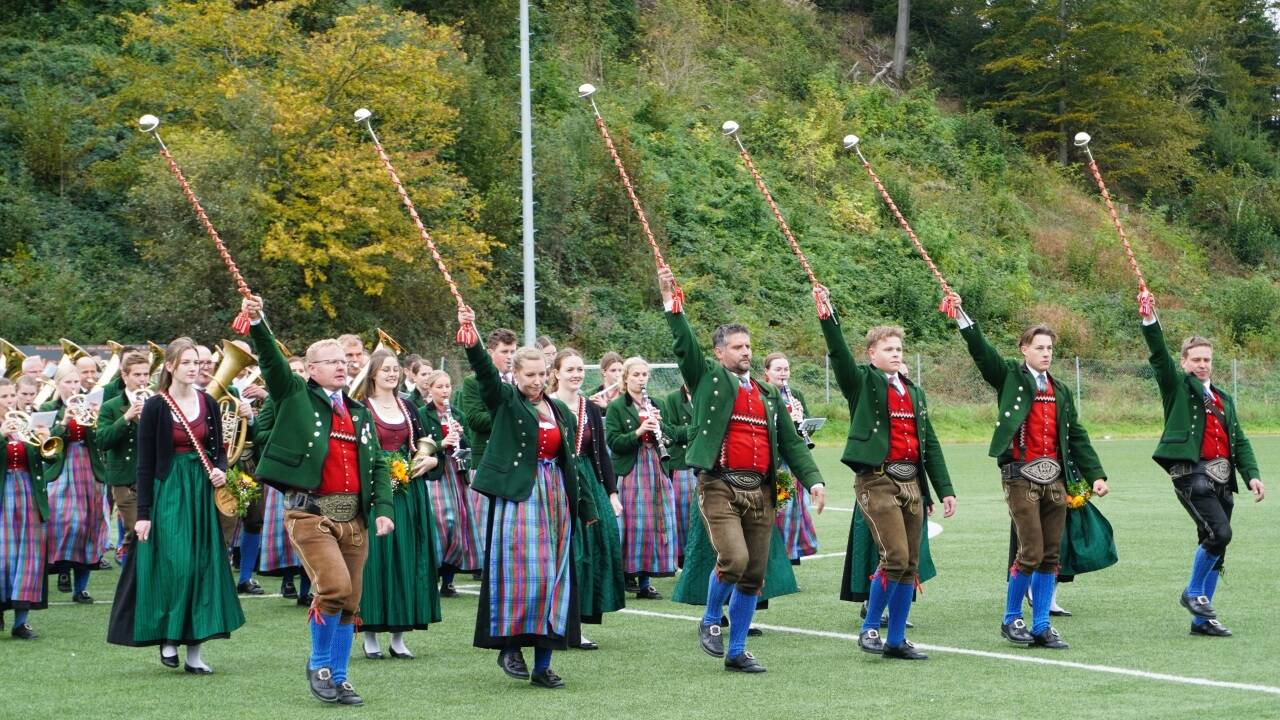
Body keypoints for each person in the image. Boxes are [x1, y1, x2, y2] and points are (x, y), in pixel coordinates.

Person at [657, 267, 825, 673]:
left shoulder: (768, 393)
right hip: (719, 485)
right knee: (733, 559)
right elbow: (684, 346)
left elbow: (790, 442)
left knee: (753, 575)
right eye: (737, 347)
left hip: (761, 491)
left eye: (748, 346)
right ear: (720, 353)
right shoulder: (707, 379)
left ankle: (737, 651)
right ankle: (711, 618)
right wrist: (670, 303)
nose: (746, 352)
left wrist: (814, 480)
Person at [242, 296, 394, 706]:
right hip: (310, 514)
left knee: (351, 601)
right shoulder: (295, 395)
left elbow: (378, 464)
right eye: (331, 361)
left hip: (355, 518)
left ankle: (340, 678)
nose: (342, 366)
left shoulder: (359, 412)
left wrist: (383, 510)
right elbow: (272, 362)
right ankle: (320, 665)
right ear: (311, 369)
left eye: (344, 360)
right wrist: (258, 322)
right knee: (334, 587)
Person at [949, 292, 1109, 650]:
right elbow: (982, 352)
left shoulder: (1061, 389)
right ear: (1024, 350)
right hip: (1019, 475)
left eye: (1049, 348)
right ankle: (1011, 619)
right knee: (1032, 550)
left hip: (1055, 478)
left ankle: (1041, 625)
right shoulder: (1009, 375)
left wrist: (1096, 475)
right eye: (1039, 347)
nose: (1046, 353)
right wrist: (961, 316)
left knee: (1051, 554)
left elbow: (1076, 435)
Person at [458, 305, 596, 689]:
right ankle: (510, 647)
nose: (536, 381)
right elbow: (485, 375)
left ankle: (544, 665)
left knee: (555, 577)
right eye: (529, 375)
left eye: (541, 374)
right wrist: (472, 338)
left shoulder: (560, 411)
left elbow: (570, 462)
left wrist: (585, 507)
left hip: (556, 498)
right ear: (515, 375)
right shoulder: (506, 400)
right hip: (519, 497)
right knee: (521, 575)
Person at [815, 295, 956, 659]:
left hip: (912, 484)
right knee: (895, 556)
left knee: (910, 564)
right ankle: (869, 629)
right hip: (876, 481)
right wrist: (828, 317)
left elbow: (930, 444)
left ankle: (896, 640)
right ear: (872, 354)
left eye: (899, 349)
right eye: (888, 349)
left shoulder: (915, 392)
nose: (895, 354)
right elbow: (839, 355)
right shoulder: (862, 382)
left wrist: (943, 490)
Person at [106, 338, 245, 673]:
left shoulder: (208, 402)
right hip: (168, 491)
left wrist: (219, 469)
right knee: (176, 565)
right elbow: (145, 463)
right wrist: (143, 515)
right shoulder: (155, 406)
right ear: (170, 366)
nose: (194, 368)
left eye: (197, 363)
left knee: (202, 567)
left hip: (201, 493)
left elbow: (219, 450)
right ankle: (168, 638)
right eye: (187, 363)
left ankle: (195, 653)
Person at [1138, 295, 1265, 636]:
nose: (1202, 364)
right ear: (1184, 362)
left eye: (1207, 359)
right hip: (1190, 474)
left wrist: (1252, 475)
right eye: (1195, 359)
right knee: (1220, 533)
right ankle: (1193, 593)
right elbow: (1158, 355)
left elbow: (1239, 440)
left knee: (1216, 546)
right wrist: (1150, 320)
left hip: (1223, 479)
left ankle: (1202, 620)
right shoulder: (1176, 386)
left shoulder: (1224, 398)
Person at [358, 349, 441, 660]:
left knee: (406, 557)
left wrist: (431, 460)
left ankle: (398, 637)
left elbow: (427, 443)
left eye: (395, 369)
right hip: (375, 491)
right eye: (385, 369)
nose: (391, 374)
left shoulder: (408, 407)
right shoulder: (361, 407)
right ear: (373, 374)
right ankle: (370, 635)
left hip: (408, 492)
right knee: (375, 560)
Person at [550, 349, 625, 649]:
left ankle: (577, 624)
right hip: (556, 480)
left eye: (580, 369)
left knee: (593, 549)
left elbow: (601, 455)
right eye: (569, 369)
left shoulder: (590, 408)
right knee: (565, 553)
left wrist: (611, 492)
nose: (576, 374)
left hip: (588, 483)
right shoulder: (547, 405)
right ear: (556, 373)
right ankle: (553, 623)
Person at [605, 356, 684, 599]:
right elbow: (614, 442)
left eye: (644, 374)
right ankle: (625, 576)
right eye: (636, 375)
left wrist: (660, 424)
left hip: (656, 466)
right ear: (626, 378)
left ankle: (645, 583)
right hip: (632, 469)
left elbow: (671, 437)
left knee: (654, 524)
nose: (641, 379)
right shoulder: (618, 406)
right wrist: (639, 431)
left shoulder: (657, 403)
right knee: (632, 525)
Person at [40, 363, 106, 603]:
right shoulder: (48, 408)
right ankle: (63, 568)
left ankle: (81, 588)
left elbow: (102, 440)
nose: (73, 386)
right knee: (66, 522)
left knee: (89, 526)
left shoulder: (91, 404)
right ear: (57, 384)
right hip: (62, 468)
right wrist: (64, 423)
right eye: (68, 382)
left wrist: (96, 418)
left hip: (89, 468)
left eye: (76, 382)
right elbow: (46, 448)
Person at [417, 370, 482, 597]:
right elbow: (419, 446)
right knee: (440, 524)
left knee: (458, 526)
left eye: (447, 386)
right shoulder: (422, 414)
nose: (445, 391)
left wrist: (460, 438)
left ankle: (448, 580)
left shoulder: (457, 414)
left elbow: (468, 446)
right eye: (439, 387)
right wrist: (442, 442)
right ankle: (432, 575)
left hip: (456, 473)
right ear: (430, 389)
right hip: (435, 473)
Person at [255, 355, 312, 605]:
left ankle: (307, 590)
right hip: (284, 472)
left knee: (311, 528)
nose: (297, 374)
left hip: (310, 471)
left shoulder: (315, 398)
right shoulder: (274, 398)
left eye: (301, 370)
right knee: (286, 531)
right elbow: (259, 433)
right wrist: (285, 435)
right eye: (293, 370)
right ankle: (287, 579)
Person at [0, 378, 51, 640]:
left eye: (12, 395)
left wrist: (44, 440)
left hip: (29, 494)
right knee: (3, 557)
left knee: (28, 557)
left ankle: (21, 622)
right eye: (4, 397)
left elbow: (51, 457)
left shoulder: (27, 422)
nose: (10, 401)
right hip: (4, 495)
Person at [93, 351, 152, 564]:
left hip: (153, 477)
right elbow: (102, 440)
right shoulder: (111, 406)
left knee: (150, 534)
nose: (142, 379)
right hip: (125, 480)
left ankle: (137, 573)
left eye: (145, 374)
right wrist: (126, 417)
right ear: (125, 376)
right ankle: (132, 576)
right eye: (137, 375)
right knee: (138, 531)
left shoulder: (157, 402)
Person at [762, 353, 819, 564]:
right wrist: (784, 419)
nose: (783, 373)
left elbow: (807, 429)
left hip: (792, 462)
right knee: (779, 509)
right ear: (767, 372)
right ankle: (775, 557)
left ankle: (790, 555)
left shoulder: (796, 394)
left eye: (786, 369)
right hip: (774, 461)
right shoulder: (762, 393)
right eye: (778, 369)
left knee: (794, 510)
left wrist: (800, 419)